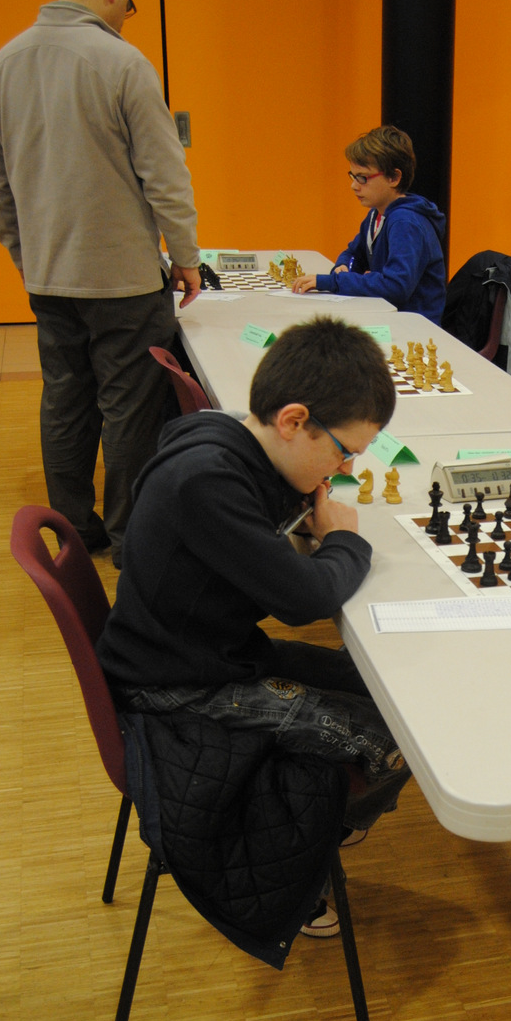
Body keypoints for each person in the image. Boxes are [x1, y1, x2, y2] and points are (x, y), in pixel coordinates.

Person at [98, 318, 409, 932]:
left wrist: (303, 515)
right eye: (344, 451)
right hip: (175, 687)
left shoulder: (225, 440)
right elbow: (303, 598)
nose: (345, 466)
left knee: (398, 692)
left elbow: (265, 560)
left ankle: (330, 825)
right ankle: (309, 858)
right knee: (397, 738)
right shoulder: (206, 481)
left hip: (210, 651)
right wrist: (344, 540)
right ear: (293, 420)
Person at [0, 0, 201, 567]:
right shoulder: (123, 63)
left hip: (49, 275)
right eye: (130, 1)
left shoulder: (1, 64)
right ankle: (132, 540)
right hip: (124, 279)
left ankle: (73, 533)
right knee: (130, 408)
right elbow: (165, 176)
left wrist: (27, 255)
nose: (128, 14)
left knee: (65, 401)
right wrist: (185, 255)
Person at [293, 126, 447, 322]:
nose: (354, 186)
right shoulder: (376, 214)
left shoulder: (405, 223)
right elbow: (353, 254)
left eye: (363, 178)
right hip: (387, 316)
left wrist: (333, 281)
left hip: (413, 326)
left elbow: (396, 287)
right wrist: (344, 267)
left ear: (394, 177)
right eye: (353, 176)